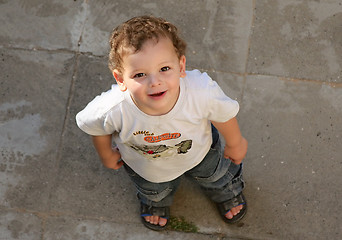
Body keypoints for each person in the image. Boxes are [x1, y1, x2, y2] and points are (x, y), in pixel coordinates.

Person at [76, 15, 248, 231]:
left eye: (164, 69)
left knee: (217, 175)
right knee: (154, 189)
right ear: (121, 79)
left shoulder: (200, 91)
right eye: (140, 74)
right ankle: (156, 201)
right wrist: (106, 153)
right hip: (147, 165)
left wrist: (235, 142)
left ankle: (226, 191)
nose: (154, 81)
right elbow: (94, 125)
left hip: (202, 152)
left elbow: (223, 114)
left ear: (181, 65)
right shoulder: (113, 109)